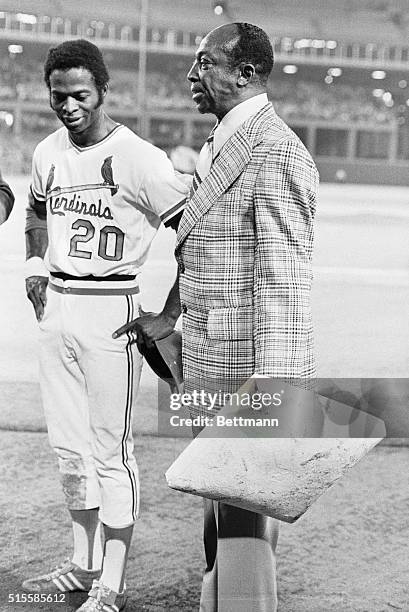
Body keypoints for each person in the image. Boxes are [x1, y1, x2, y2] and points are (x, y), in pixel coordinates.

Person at [117, 22, 319, 611]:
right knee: (220, 514)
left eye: (204, 62)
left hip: (248, 370)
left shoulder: (276, 149)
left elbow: (285, 283)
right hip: (208, 358)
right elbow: (202, 244)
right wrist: (169, 316)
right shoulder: (222, 142)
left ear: (245, 73)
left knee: (244, 521)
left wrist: (274, 395)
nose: (191, 74)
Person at [22, 39, 187, 612]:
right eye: (58, 95)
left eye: (80, 96)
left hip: (111, 308)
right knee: (67, 448)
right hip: (58, 308)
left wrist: (167, 313)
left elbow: (192, 231)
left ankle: (112, 583)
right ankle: (83, 560)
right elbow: (36, 210)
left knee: (110, 452)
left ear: (102, 91)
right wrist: (34, 264)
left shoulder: (139, 157)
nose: (68, 106)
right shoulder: (47, 150)